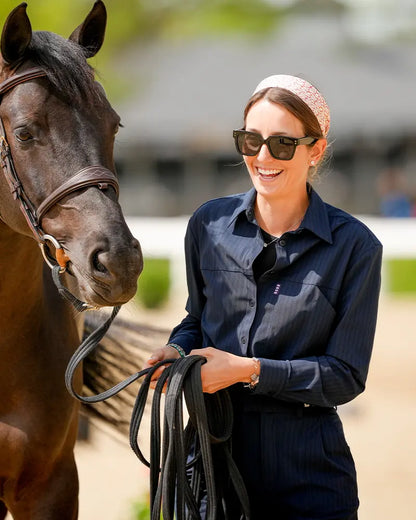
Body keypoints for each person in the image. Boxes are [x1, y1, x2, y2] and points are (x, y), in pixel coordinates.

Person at [145, 74, 383, 520]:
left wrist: (247, 371)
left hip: (308, 479)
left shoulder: (356, 248)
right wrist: (176, 348)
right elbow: (197, 319)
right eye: (250, 140)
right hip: (210, 469)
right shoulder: (207, 226)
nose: (263, 157)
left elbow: (345, 376)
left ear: (316, 150)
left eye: (282, 144)